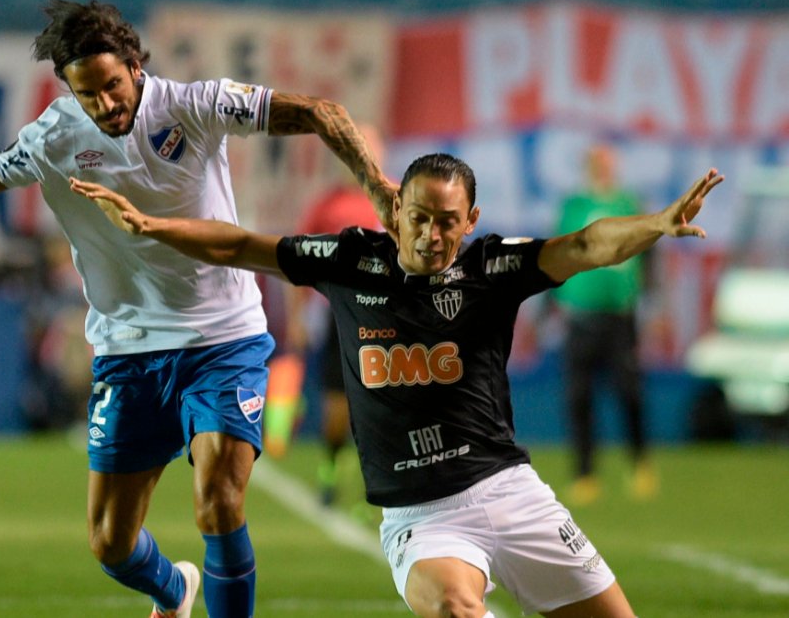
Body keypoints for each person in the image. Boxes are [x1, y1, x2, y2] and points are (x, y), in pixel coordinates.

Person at [0, 0, 394, 618]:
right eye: (88, 94)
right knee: (110, 544)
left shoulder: (196, 105)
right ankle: (174, 592)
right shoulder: (52, 139)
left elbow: (322, 113)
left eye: (113, 86)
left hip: (222, 340)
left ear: (135, 64)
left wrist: (376, 185)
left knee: (219, 502)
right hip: (128, 350)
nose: (106, 105)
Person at [69, 154, 723, 618]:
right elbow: (240, 243)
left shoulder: (493, 267)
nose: (431, 234)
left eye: (447, 221)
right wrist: (154, 228)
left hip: (511, 492)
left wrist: (656, 225)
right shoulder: (353, 261)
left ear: (470, 219)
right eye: (418, 216)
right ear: (396, 210)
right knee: (456, 608)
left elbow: (587, 244)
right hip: (424, 517)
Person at [284, 122, 386, 506]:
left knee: (383, 403)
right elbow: (293, 259)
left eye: (369, 148)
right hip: (342, 315)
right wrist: (296, 317)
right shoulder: (329, 204)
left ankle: (378, 480)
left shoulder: (397, 198)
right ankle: (330, 473)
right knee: (337, 403)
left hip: (388, 317)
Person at [553, 144, 655, 505]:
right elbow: (556, 255)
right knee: (579, 397)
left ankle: (639, 462)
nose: (604, 169)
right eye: (598, 163)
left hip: (620, 315)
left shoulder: (629, 205)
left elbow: (650, 252)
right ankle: (584, 473)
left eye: (609, 163)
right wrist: (549, 307)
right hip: (580, 314)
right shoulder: (574, 206)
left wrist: (654, 303)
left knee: (629, 392)